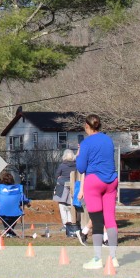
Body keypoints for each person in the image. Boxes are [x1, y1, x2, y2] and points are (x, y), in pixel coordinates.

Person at [76, 114, 119, 269]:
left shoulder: (86, 143)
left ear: (87, 126)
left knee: (97, 220)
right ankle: (113, 258)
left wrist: (79, 155)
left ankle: (97, 259)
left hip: (94, 182)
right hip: (111, 181)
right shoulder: (108, 140)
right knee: (110, 219)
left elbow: (81, 168)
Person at [0, 170, 30, 235]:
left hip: (1, 212)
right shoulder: (18, 189)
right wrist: (28, 203)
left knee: (3, 214)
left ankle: (8, 230)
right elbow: (24, 200)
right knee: (15, 214)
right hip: (16, 212)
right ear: (12, 180)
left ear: (2, 181)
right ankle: (10, 230)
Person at [54, 150, 78, 237]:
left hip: (62, 188)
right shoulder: (76, 166)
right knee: (71, 206)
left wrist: (60, 178)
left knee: (62, 206)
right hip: (73, 188)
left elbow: (56, 176)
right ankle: (71, 223)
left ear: (64, 157)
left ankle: (65, 225)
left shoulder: (62, 165)